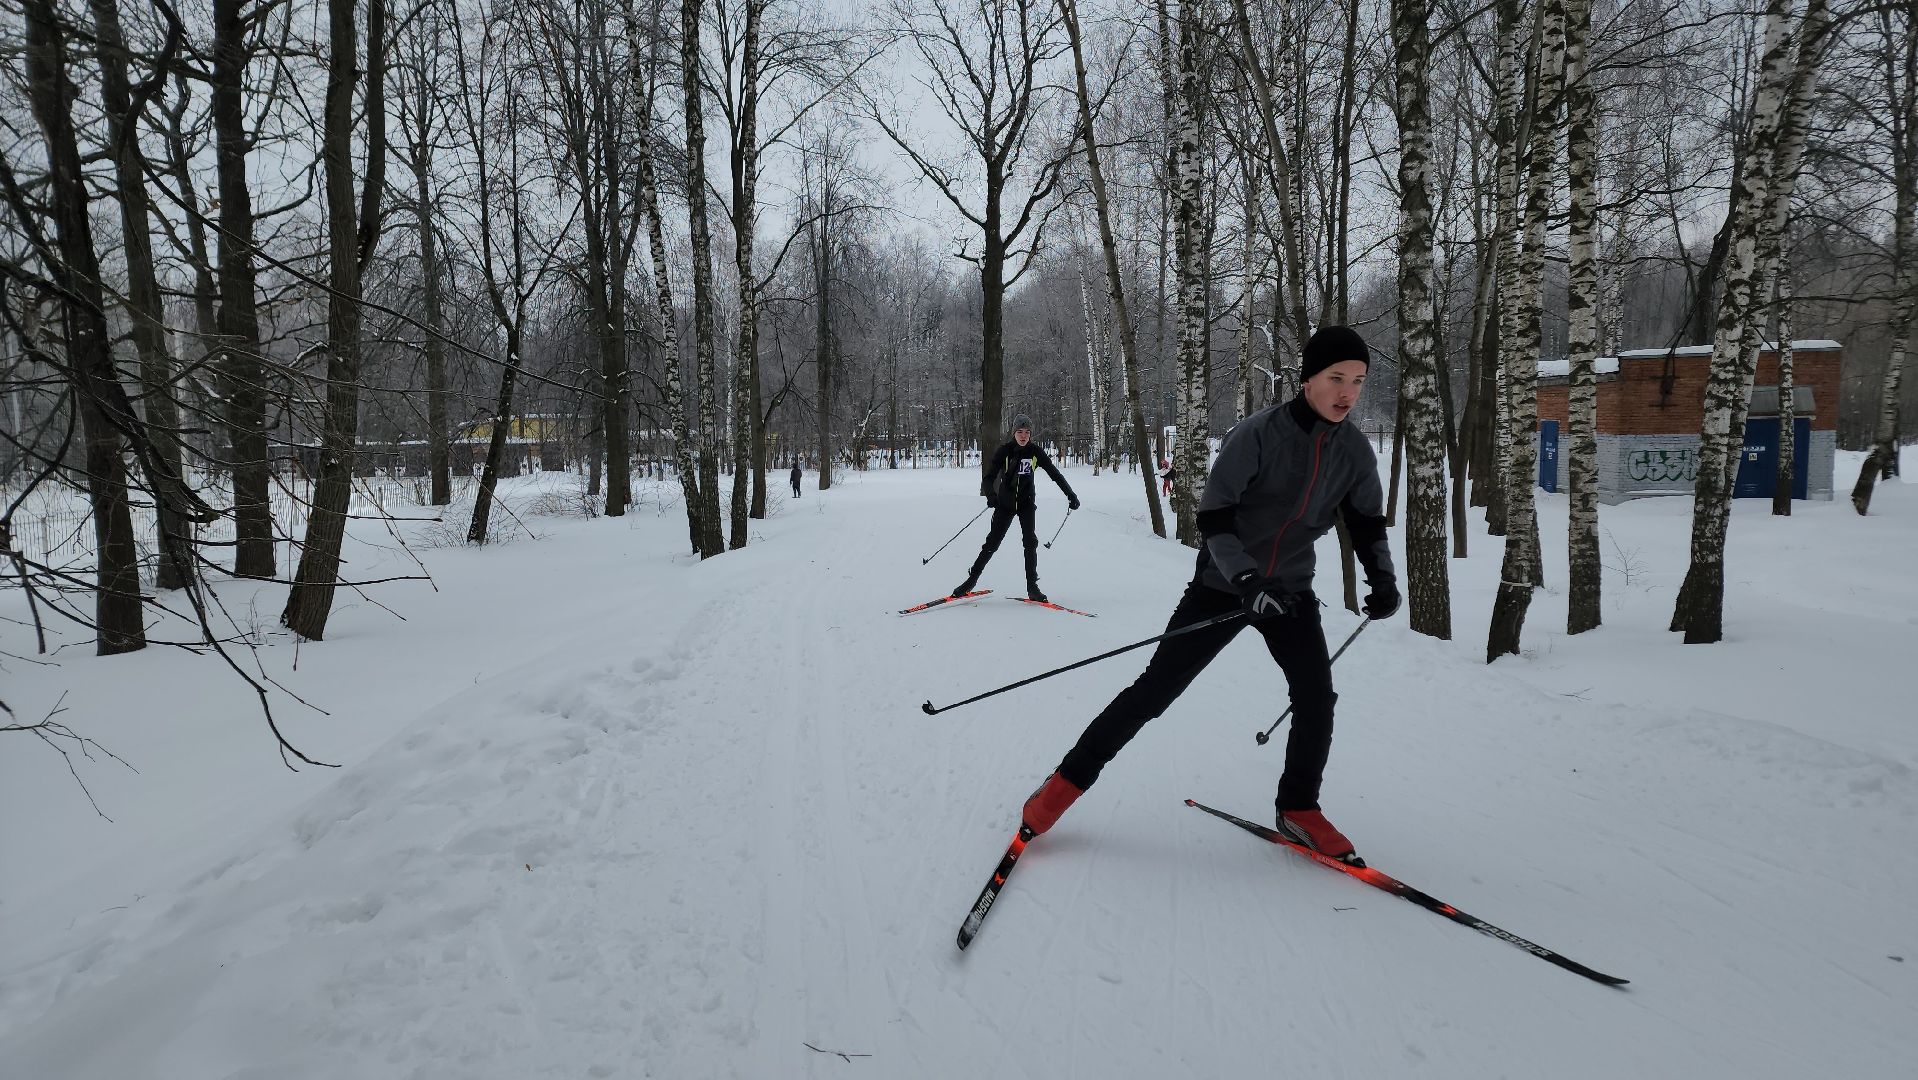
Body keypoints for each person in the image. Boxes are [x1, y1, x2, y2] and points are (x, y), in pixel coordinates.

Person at [1017, 326, 1400, 865]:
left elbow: (1365, 523)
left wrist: (1382, 578)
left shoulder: (1355, 452)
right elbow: (1214, 517)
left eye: (1358, 381)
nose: (1348, 393)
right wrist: (1245, 580)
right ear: (1308, 378)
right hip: (1223, 587)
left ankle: (1299, 808)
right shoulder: (1259, 434)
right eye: (1336, 378)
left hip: (1288, 593)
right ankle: (1060, 787)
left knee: (1316, 698)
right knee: (1154, 692)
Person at [953, 414, 1080, 603]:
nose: (1023, 436)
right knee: (992, 543)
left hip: (1026, 504)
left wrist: (1071, 495)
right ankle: (970, 581)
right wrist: (991, 496)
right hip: (1004, 504)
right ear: (1014, 432)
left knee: (1030, 542)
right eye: (1020, 431)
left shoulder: (1035, 452)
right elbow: (988, 477)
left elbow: (1055, 474)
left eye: (1027, 432)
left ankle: (1032, 587)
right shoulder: (1005, 451)